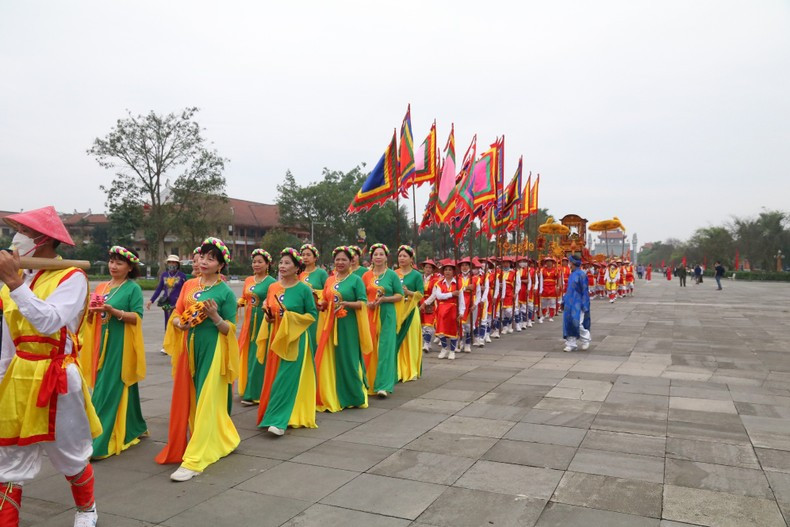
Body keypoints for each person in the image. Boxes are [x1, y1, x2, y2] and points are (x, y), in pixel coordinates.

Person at [0, 206, 102, 527]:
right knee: (8, 459)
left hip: (58, 377)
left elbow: (49, 322)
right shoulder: (12, 284)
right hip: (19, 376)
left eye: (24, 233)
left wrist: (16, 285)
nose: (16, 240)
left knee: (69, 454)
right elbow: (6, 342)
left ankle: (87, 510)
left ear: (42, 240)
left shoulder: (73, 278)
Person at [156, 237, 240, 482]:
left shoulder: (224, 291)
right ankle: (225, 437)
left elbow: (230, 329)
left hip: (213, 350)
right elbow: (177, 313)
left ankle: (195, 459)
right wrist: (178, 323)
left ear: (221, 265)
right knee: (190, 397)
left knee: (206, 399)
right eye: (203, 256)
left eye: (211, 258)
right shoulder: (190, 284)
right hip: (188, 348)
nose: (204, 261)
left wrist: (214, 316)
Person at [82, 246, 147, 460]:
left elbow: (137, 317)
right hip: (101, 343)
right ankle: (135, 426)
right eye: (111, 261)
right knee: (117, 384)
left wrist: (114, 311)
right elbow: (93, 319)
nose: (113, 266)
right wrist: (91, 312)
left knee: (107, 389)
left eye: (119, 263)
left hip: (121, 344)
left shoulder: (132, 289)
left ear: (130, 268)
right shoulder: (101, 287)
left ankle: (99, 441)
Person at [256, 248, 318, 435]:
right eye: (281, 263)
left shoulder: (304, 289)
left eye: (287, 263)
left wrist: (290, 317)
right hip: (276, 337)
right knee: (274, 377)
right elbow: (270, 316)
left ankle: (279, 421)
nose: (282, 266)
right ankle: (273, 414)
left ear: (297, 267)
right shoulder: (273, 287)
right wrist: (269, 316)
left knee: (286, 378)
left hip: (296, 339)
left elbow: (312, 315)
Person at [315, 246, 371, 412]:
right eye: (337, 259)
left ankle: (354, 396)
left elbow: (363, 302)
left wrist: (347, 304)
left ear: (351, 261)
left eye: (344, 259)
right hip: (330, 325)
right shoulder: (330, 280)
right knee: (330, 359)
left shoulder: (356, 280)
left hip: (349, 326)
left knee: (349, 359)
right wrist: (321, 305)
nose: (340, 262)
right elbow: (326, 300)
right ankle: (331, 394)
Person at [362, 243, 403, 396]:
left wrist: (385, 299)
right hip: (370, 313)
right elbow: (361, 295)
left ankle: (383, 385)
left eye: (381, 254)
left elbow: (400, 295)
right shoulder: (366, 276)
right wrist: (368, 302)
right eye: (375, 254)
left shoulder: (392, 275)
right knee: (368, 346)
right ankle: (367, 380)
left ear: (386, 257)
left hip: (387, 313)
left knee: (386, 347)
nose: (378, 257)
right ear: (371, 257)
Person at [237, 249, 275, 406]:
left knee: (260, 355)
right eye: (254, 262)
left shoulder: (272, 282)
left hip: (262, 322)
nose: (256, 264)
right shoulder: (248, 280)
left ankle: (256, 392)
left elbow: (273, 301)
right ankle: (248, 388)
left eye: (260, 262)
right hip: (249, 323)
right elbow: (245, 297)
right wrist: (239, 302)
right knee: (248, 355)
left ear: (267, 264)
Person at [394, 245, 425, 379]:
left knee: (410, 339)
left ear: (411, 258)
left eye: (405, 256)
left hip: (411, 310)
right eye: (400, 256)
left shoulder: (416, 275)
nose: (402, 258)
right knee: (396, 339)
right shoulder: (393, 273)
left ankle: (411, 369)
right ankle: (397, 369)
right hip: (397, 310)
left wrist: (408, 293)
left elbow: (421, 294)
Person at [147, 254, 187, 354]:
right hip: (167, 304)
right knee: (168, 323)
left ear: (178, 264)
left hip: (178, 304)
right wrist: (151, 300)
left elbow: (185, 290)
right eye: (170, 262)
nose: (171, 264)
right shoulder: (164, 275)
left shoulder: (182, 276)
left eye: (174, 262)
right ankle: (167, 346)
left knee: (179, 324)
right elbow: (159, 288)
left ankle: (179, 345)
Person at [427, 259, 464, 359]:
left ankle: (452, 351)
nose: (447, 271)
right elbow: (438, 296)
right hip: (442, 309)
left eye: (450, 270)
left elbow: (461, 299)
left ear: (453, 272)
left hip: (453, 309)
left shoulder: (458, 284)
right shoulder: (439, 283)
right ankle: (444, 349)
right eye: (446, 270)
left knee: (453, 331)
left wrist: (461, 311)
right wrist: (451, 294)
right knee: (441, 331)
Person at [299, 243, 328, 357]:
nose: (305, 257)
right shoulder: (299, 273)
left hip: (316, 312)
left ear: (315, 258)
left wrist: (314, 292)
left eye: (308, 255)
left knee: (315, 338)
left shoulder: (321, 273)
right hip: (302, 312)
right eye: (303, 255)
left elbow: (327, 292)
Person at [562, 254, 592, 352]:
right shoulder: (572, 274)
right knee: (569, 322)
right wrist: (564, 300)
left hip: (578, 303)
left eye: (570, 262)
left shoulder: (582, 274)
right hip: (569, 302)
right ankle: (571, 343)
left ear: (573, 263)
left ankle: (586, 339)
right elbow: (569, 289)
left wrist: (585, 304)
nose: (568, 264)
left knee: (577, 323)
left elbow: (584, 290)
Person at [419, 259, 440, 352]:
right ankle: (427, 342)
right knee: (422, 325)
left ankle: (426, 344)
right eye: (426, 267)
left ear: (433, 269)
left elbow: (434, 294)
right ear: (423, 268)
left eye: (430, 267)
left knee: (429, 324)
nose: (428, 269)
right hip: (419, 300)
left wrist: (425, 303)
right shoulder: (419, 278)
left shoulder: (435, 279)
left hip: (430, 303)